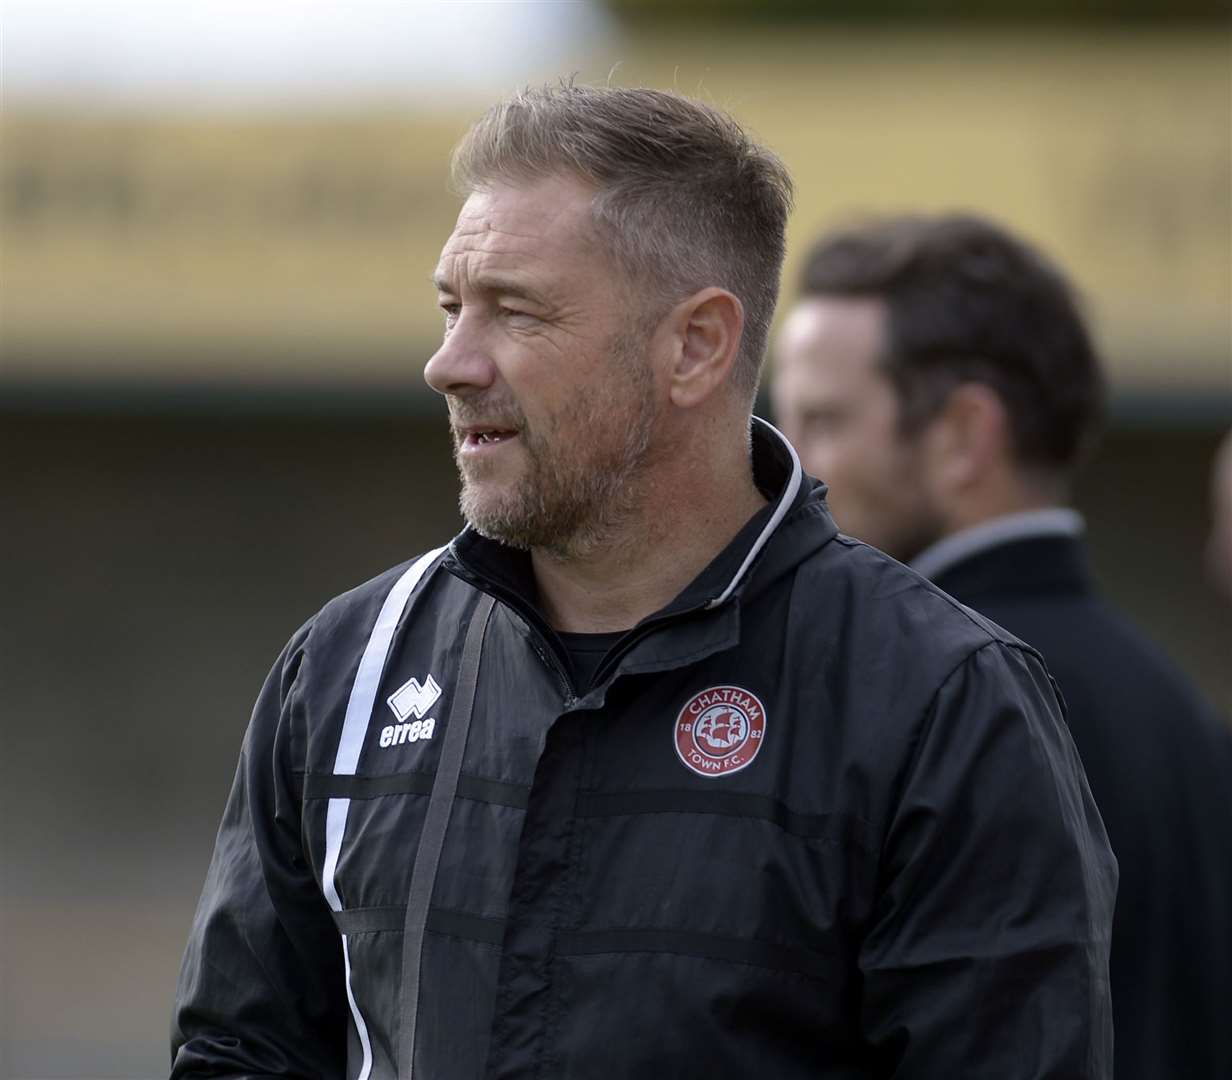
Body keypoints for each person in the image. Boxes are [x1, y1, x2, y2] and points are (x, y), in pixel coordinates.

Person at [172, 88, 1116, 1079]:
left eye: (515, 309)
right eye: (452, 307)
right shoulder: (346, 668)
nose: (446, 363)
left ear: (694, 346)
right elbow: (240, 1049)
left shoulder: (939, 700)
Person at [772, 212, 1232, 1080]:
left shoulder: (919, 702)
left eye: (823, 422)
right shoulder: (1175, 706)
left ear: (964, 436)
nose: (791, 468)